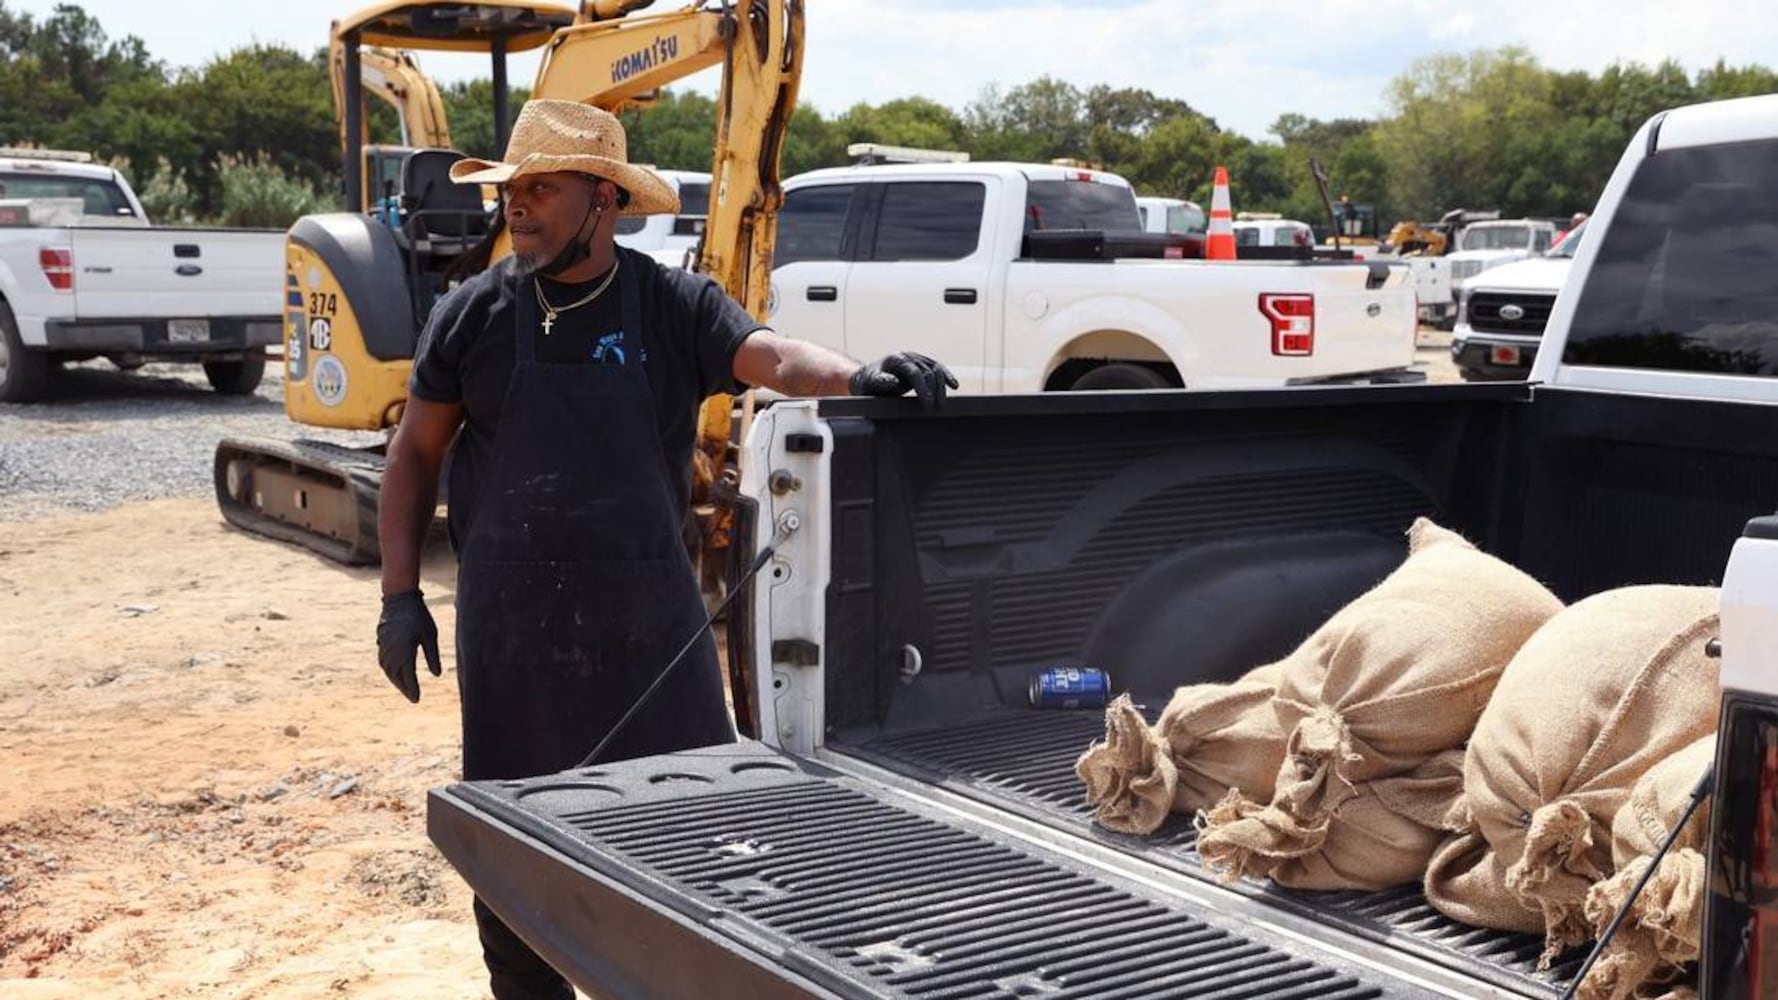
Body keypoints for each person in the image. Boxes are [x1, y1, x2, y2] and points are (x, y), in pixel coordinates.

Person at [373, 99, 956, 1000]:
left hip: (652, 633)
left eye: (542, 187)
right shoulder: (473, 314)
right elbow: (413, 455)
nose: (517, 207)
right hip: (515, 639)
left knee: (694, 837)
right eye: (512, 188)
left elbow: (774, 356)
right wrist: (399, 597)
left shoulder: (669, 304)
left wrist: (860, 377)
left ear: (602, 200)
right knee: (518, 853)